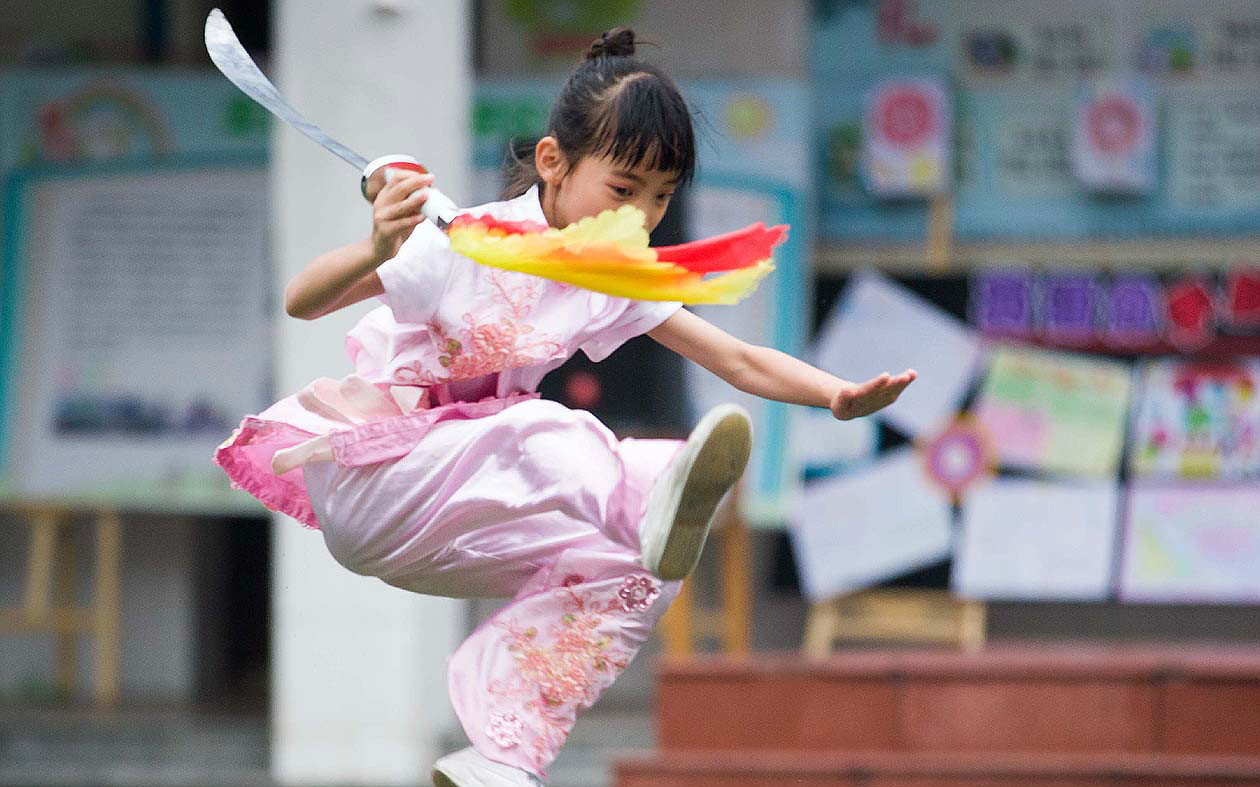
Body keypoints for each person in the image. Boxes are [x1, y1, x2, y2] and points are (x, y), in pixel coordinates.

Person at [214, 27, 915, 787]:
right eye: (624, 189)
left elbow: (737, 358)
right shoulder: (461, 240)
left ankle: (503, 749)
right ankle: (650, 490)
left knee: (646, 571)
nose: (643, 216)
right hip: (379, 481)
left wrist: (836, 395)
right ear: (554, 162)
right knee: (538, 428)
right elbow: (304, 299)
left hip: (459, 517)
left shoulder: (602, 275)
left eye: (661, 197)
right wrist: (377, 247)